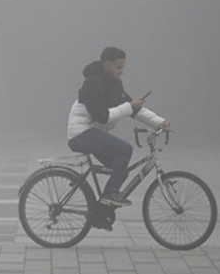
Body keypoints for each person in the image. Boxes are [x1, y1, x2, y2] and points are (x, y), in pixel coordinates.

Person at [67, 46, 170, 208]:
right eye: (119, 67)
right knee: (125, 150)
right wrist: (129, 106)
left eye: (123, 67)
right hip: (81, 134)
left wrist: (160, 122)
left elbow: (134, 109)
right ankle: (109, 194)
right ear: (107, 65)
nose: (122, 71)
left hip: (94, 133)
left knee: (120, 168)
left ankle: (101, 212)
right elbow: (102, 116)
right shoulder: (93, 83)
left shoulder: (113, 83)